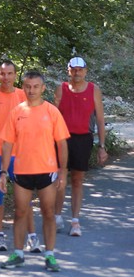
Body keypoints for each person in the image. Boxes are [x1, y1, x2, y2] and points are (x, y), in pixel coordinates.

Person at [0, 70, 70, 271]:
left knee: (48, 212)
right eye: (28, 86)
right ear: (23, 87)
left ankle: (50, 255)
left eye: (36, 86)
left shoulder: (51, 112)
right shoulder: (16, 112)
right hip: (22, 171)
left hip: (47, 171)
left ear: (43, 88)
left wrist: (62, 171)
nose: (31, 90)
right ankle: (18, 253)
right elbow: (6, 144)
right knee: (20, 212)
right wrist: (3, 172)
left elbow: (62, 143)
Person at [0, 60, 40, 252]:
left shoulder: (22, 95)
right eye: (3, 74)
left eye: (10, 73)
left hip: (18, 153)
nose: (6, 78)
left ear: (15, 75)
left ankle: (32, 236)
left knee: (25, 196)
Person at [54, 56, 108, 236]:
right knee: (60, 178)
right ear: (68, 70)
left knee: (77, 180)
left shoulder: (94, 90)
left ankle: (75, 221)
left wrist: (102, 146)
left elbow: (100, 121)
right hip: (62, 139)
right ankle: (57, 217)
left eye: (80, 70)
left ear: (85, 71)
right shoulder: (61, 89)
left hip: (83, 139)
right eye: (73, 70)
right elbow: (52, 118)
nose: (77, 73)